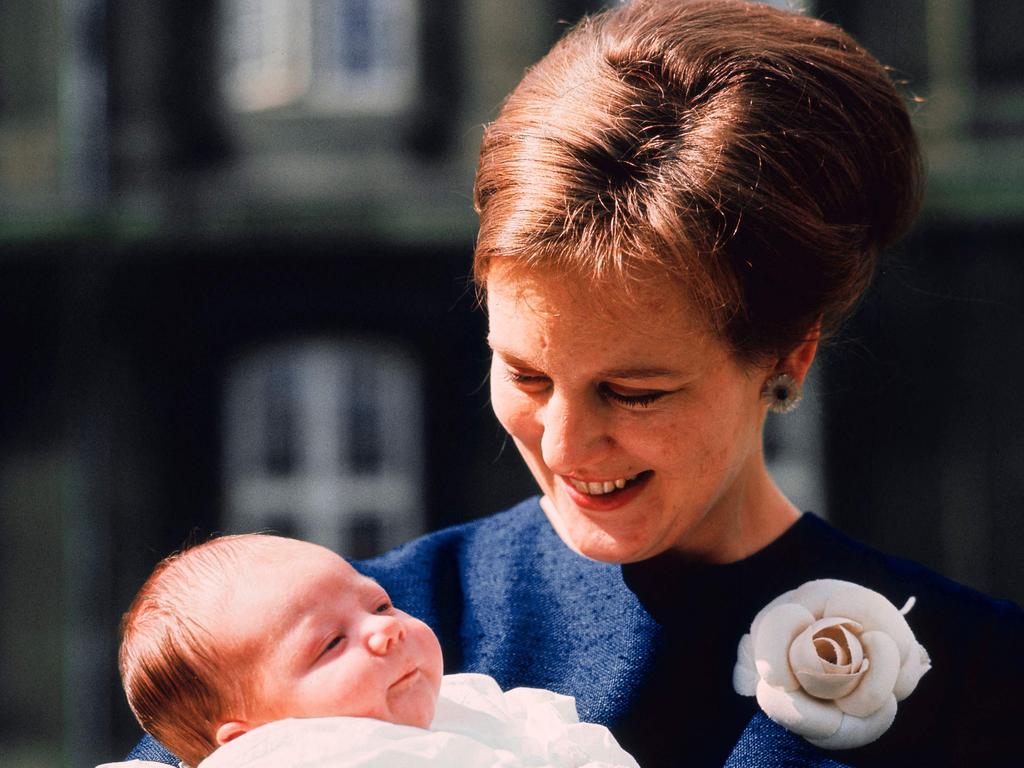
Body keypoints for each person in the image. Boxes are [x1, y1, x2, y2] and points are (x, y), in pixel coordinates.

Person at [126, 1, 1022, 766]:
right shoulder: (308, 656)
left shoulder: (978, 675)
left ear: (788, 355)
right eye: (524, 372)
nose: (562, 445)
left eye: (634, 393)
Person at [104, 533, 639, 768]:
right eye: (332, 643)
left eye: (380, 605)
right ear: (248, 743)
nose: (386, 632)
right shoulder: (303, 759)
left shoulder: (477, 705)